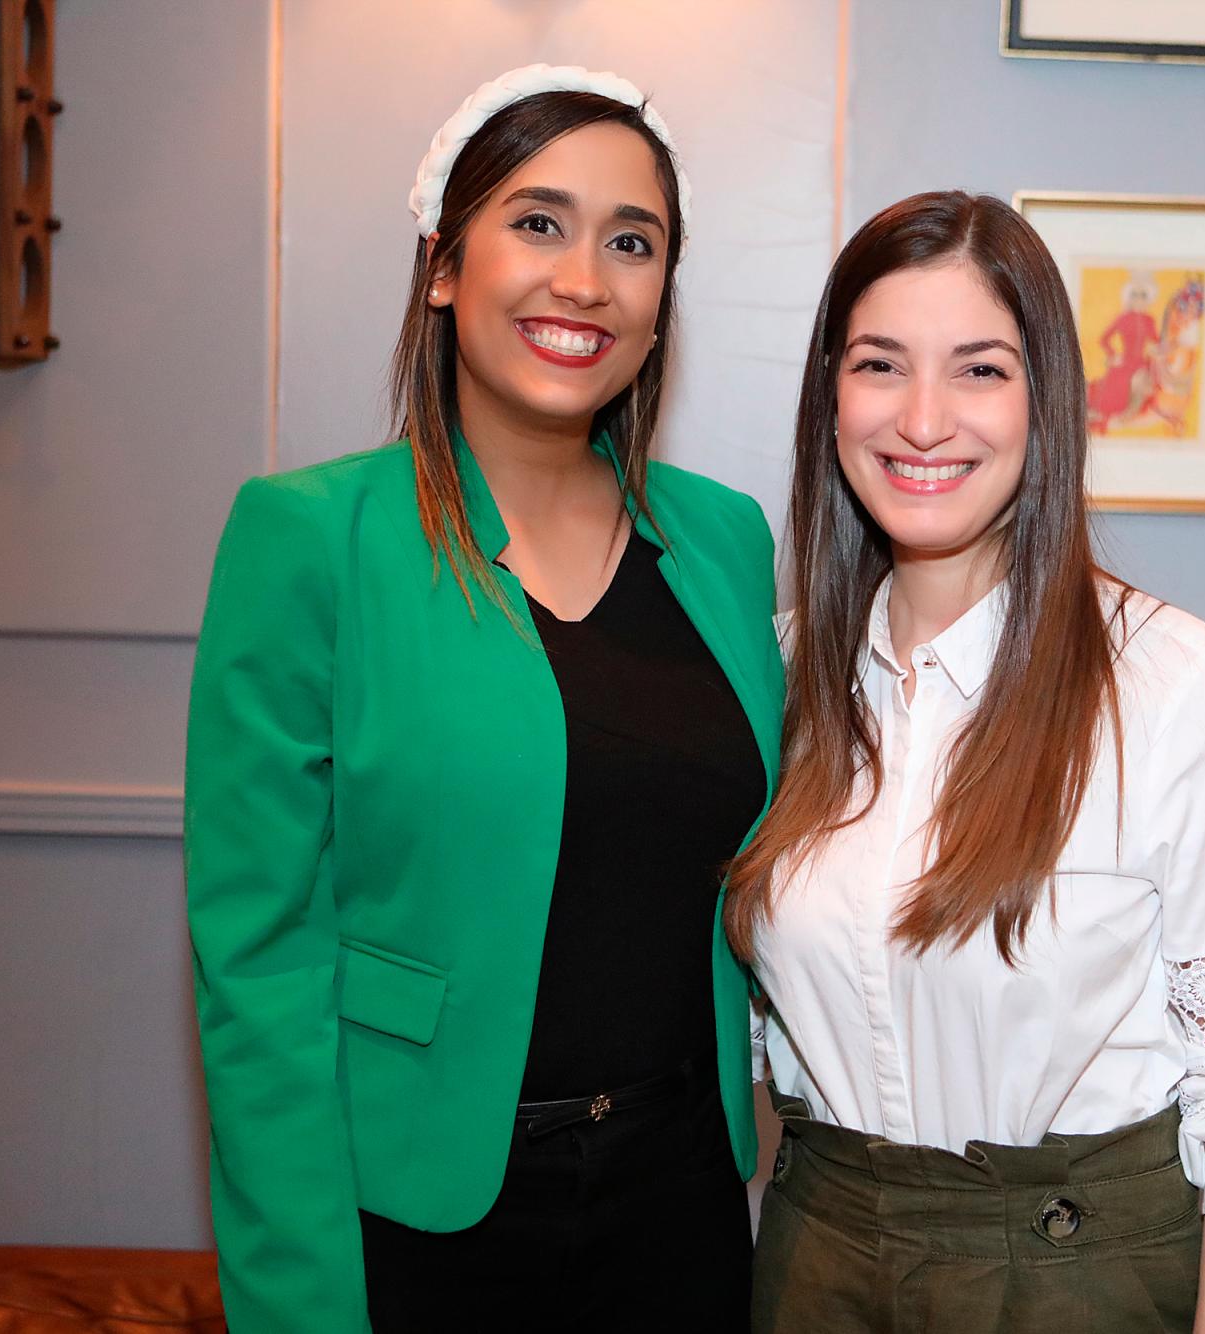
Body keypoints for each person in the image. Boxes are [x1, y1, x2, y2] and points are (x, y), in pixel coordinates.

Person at [184, 65, 782, 1332]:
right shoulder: (308, 538)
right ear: (444, 264)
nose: (584, 279)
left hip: (680, 1203)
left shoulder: (726, 543)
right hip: (418, 1214)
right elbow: (257, 966)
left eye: (632, 242)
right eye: (536, 222)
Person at [727, 191, 1205, 1333]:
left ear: (1044, 405)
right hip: (816, 1258)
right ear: (830, 397)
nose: (923, 419)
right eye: (879, 364)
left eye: (978, 369)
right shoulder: (775, 683)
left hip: (1078, 1277)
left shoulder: (1175, 687)